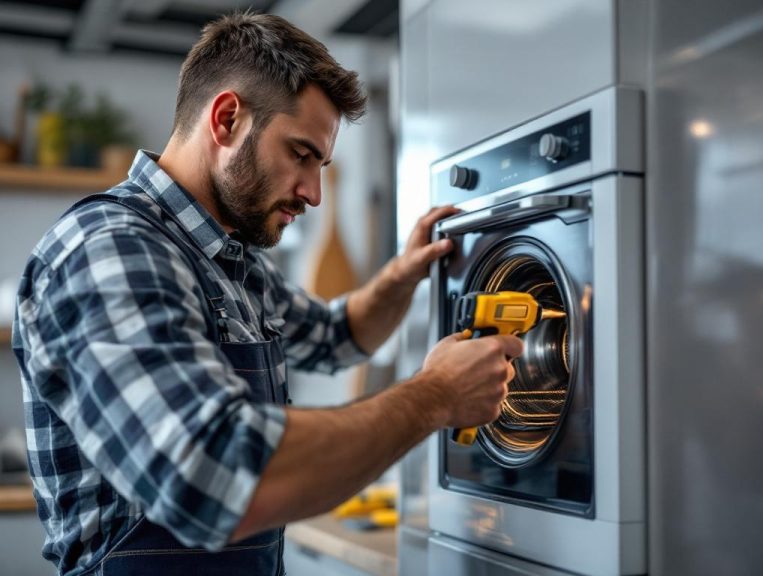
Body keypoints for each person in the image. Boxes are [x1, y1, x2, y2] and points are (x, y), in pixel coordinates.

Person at [12, 12, 523, 576]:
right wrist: (434, 396)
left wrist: (403, 274)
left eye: (322, 165)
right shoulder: (109, 248)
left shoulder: (232, 260)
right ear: (227, 119)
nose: (314, 193)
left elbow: (337, 336)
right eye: (301, 154)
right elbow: (214, 473)